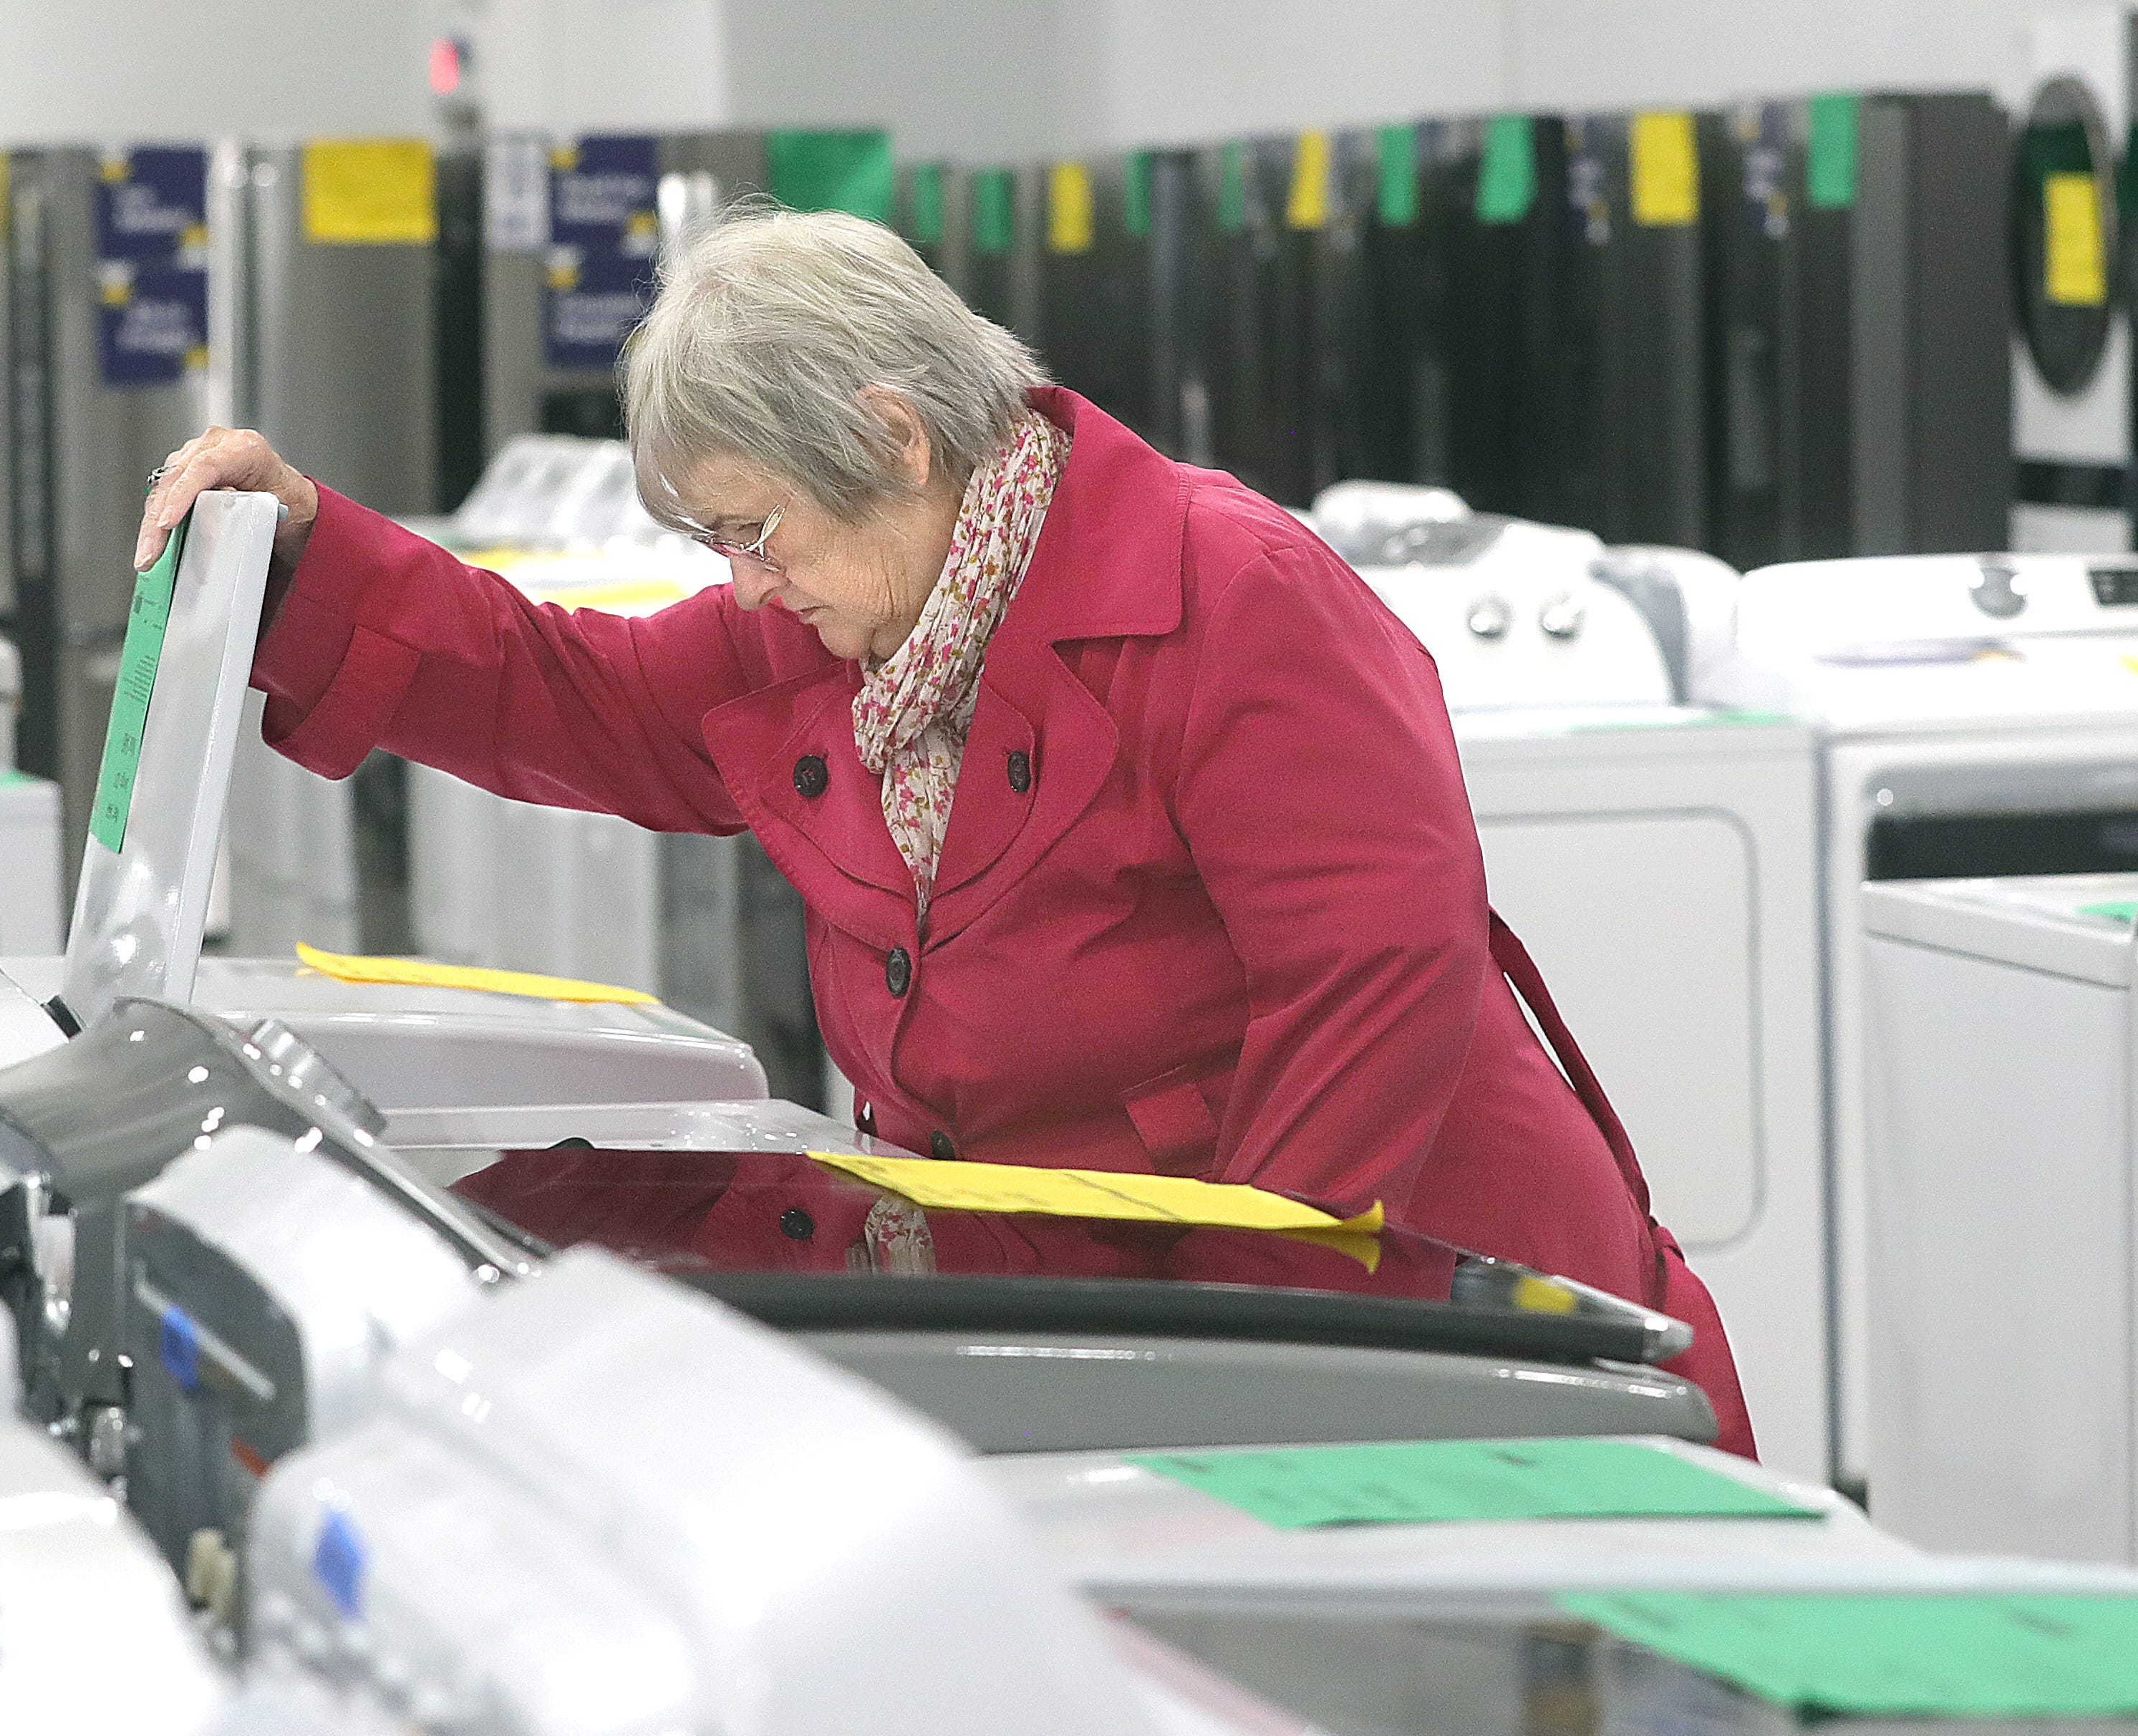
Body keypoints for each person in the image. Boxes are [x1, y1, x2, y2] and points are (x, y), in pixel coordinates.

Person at [133, 206, 1753, 1450]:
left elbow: (1369, 995)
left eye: (756, 528)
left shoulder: (1226, 593)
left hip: (1414, 1321)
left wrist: (1238, 1368)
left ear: (899, 440)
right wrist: (308, 555)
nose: (743, 586)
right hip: (1091, 1317)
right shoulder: (839, 624)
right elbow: (582, 693)